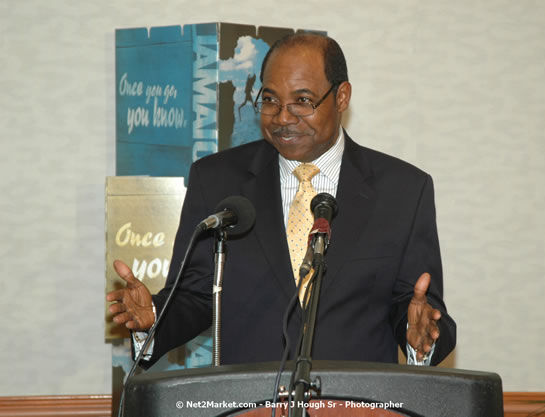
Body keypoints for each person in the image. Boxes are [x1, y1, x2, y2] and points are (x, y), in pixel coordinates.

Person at [107, 33, 456, 368]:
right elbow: (197, 296)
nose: (283, 117)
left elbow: (416, 310)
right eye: (271, 100)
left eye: (302, 101)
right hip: (248, 404)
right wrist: (153, 316)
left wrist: (421, 336)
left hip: (355, 405)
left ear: (342, 97)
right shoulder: (216, 181)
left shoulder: (403, 191)